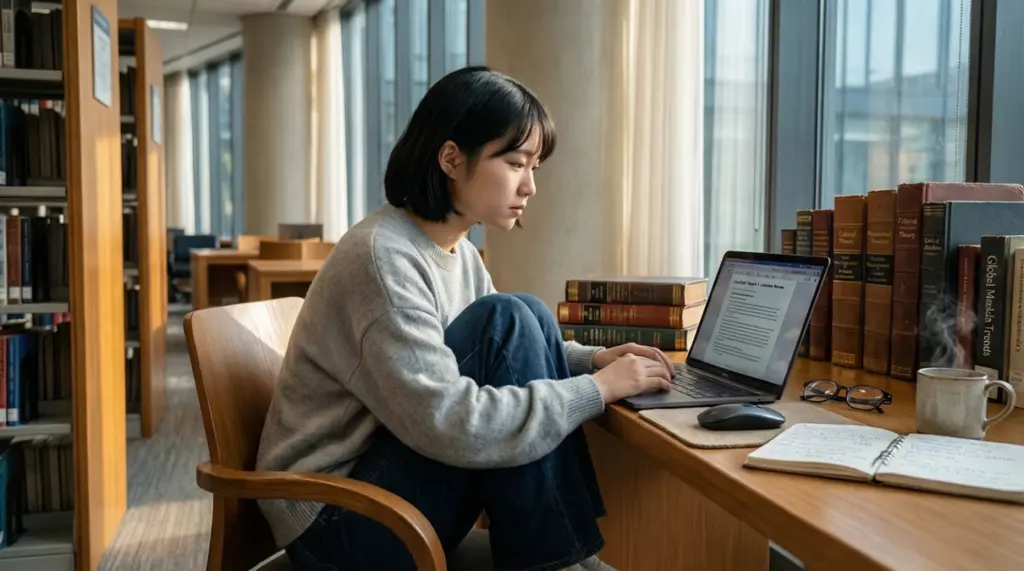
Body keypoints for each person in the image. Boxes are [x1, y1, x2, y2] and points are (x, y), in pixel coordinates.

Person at [255, 66, 675, 571]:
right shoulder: (382, 259)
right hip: (338, 522)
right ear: (452, 158)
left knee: (527, 315)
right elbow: (450, 422)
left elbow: (506, 358)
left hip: (384, 481)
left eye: (535, 166)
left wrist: (592, 362)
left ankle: (560, 558)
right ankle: (557, 561)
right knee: (510, 318)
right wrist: (598, 390)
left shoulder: (459, 253)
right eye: (517, 163)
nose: (531, 186)